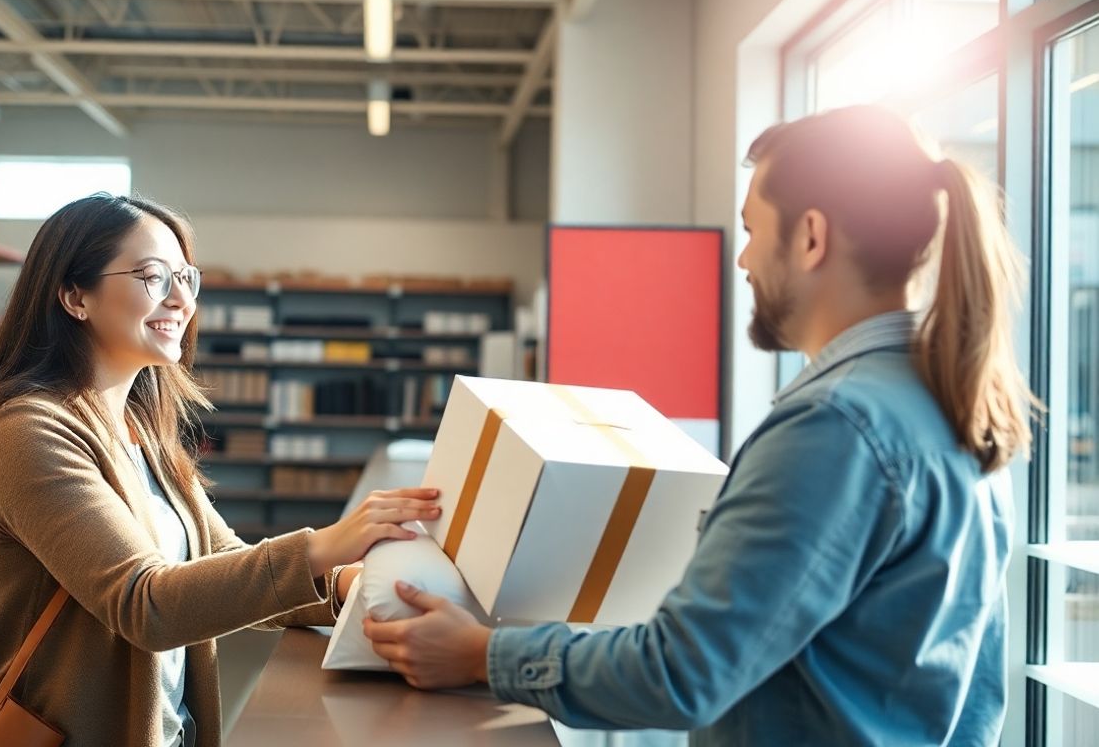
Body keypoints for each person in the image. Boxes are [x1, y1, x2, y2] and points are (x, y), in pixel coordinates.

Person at [363, 105, 1034, 746]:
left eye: (751, 230)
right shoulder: (951, 401)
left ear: (809, 237)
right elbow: (974, 698)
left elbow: (683, 672)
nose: (742, 261)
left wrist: (482, 654)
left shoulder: (833, 427)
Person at [0, 193, 441, 747]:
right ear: (75, 296)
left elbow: (222, 564)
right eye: (154, 277)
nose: (182, 301)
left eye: (186, 278)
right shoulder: (28, 432)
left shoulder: (140, 430)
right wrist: (325, 546)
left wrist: (349, 587)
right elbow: (146, 604)